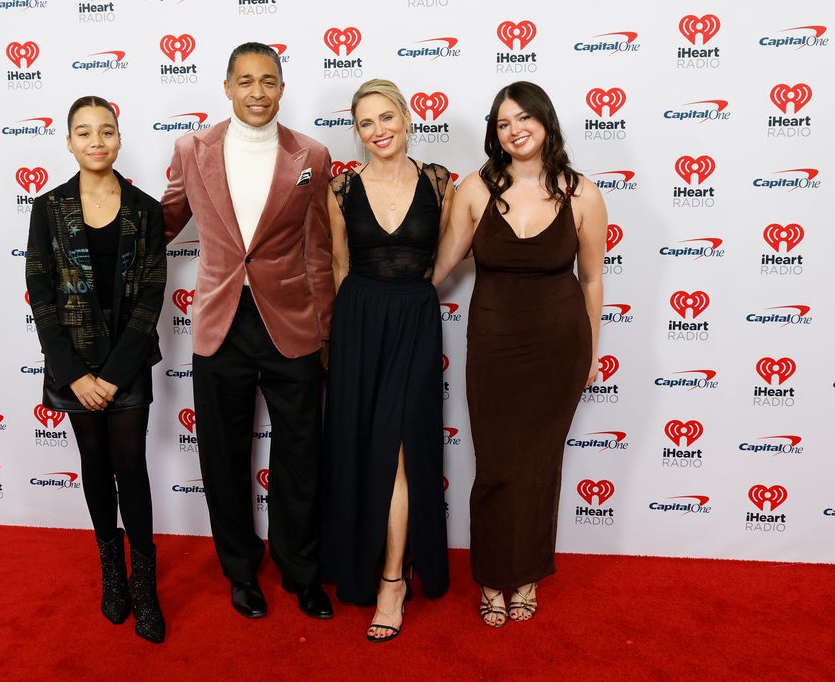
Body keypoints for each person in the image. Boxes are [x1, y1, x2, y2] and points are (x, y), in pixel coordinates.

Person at [160, 42, 336, 620]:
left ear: (282, 88)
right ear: (227, 87)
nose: (257, 91)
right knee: (222, 456)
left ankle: (301, 571)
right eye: (245, 81)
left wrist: (326, 332)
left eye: (268, 80)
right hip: (219, 325)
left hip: (293, 327)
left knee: (301, 457)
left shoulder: (311, 153)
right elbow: (163, 221)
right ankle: (240, 571)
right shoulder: (192, 149)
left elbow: (318, 251)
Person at [432, 81, 607, 627]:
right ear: (495, 132)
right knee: (496, 466)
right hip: (493, 345)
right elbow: (440, 268)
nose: (515, 130)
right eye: (504, 123)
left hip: (560, 347)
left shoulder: (583, 193)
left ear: (546, 121)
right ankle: (491, 577)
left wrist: (592, 354)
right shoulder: (474, 190)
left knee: (539, 467)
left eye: (525, 118)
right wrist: (386, 301)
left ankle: (527, 575)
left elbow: (594, 280)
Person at [25, 96, 168, 643]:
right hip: (73, 367)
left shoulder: (145, 209)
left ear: (119, 138)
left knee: (130, 465)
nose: (96, 141)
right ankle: (112, 573)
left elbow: (152, 295)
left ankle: (144, 583)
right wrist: (73, 374)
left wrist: (113, 375)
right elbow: (40, 292)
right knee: (94, 462)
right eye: (84, 133)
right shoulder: (48, 207)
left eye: (106, 131)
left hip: (125, 364)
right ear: (68, 142)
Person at [321, 79, 452, 642]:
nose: (378, 131)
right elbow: (338, 266)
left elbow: (445, 255)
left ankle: (393, 581)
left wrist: (418, 297)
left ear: (406, 117)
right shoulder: (341, 189)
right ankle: (366, 559)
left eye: (386, 118)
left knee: (400, 449)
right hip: (358, 321)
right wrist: (338, 341)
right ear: (357, 130)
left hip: (415, 320)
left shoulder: (440, 182)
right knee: (362, 446)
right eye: (366, 123)